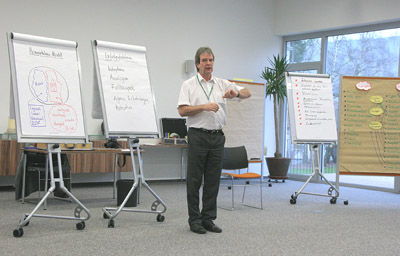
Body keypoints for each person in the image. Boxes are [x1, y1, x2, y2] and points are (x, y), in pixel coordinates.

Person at [177, 47, 251, 234]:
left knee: (212, 181)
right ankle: (194, 220)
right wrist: (203, 107)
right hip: (198, 135)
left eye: (210, 60)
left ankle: (208, 218)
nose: (208, 63)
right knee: (194, 180)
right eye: (204, 60)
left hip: (217, 137)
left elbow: (247, 92)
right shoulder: (189, 84)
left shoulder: (222, 83)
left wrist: (237, 93)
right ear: (197, 64)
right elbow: (182, 110)